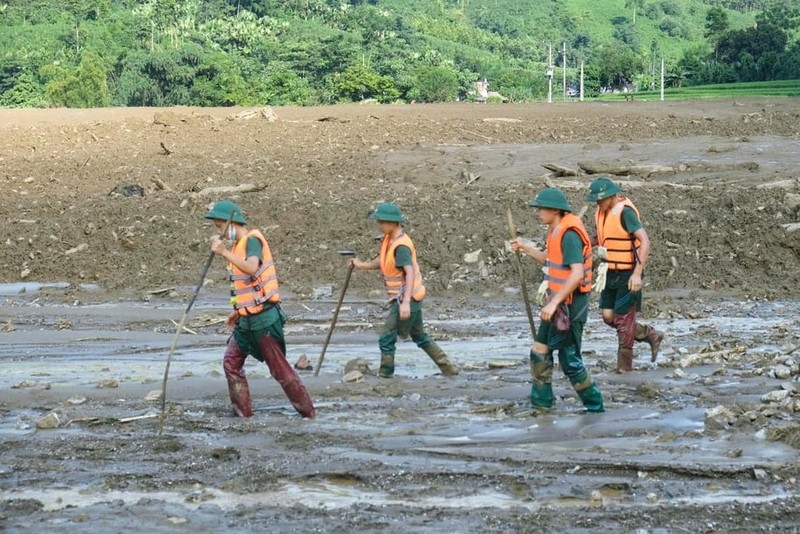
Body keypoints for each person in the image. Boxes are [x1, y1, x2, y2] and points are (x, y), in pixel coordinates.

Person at [205, 200, 315, 418]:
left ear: (232, 223)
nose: (220, 232)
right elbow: (248, 286)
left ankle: (307, 412)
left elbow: (252, 269)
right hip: (246, 320)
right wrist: (239, 310)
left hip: (264, 319)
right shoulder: (238, 247)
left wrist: (224, 253)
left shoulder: (252, 241)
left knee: (279, 369)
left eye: (220, 226)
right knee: (231, 362)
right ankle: (242, 414)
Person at [511, 188, 604, 413]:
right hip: (557, 303)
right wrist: (525, 248)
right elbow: (549, 259)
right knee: (539, 350)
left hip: (571, 306)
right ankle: (541, 405)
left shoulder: (569, 234)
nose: (538, 212)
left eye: (541, 208)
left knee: (570, 361)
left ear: (555, 210)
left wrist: (553, 303)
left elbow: (576, 274)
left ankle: (595, 406)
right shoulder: (555, 230)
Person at [350, 202, 459, 378]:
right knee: (419, 335)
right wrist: (360, 265)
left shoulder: (401, 246)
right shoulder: (388, 240)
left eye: (382, 222)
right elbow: (383, 261)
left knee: (386, 337)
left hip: (407, 298)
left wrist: (406, 303)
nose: (379, 225)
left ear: (393, 223)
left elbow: (409, 272)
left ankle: (385, 374)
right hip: (405, 297)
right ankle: (448, 369)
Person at [586, 177, 664, 373]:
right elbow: (600, 236)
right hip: (609, 271)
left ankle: (624, 367)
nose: (597, 203)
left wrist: (637, 274)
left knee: (622, 320)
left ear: (611, 196)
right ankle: (650, 334)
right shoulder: (601, 212)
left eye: (600, 199)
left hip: (628, 273)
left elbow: (644, 241)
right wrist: (583, 243)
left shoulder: (626, 213)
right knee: (608, 316)